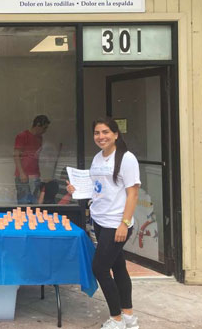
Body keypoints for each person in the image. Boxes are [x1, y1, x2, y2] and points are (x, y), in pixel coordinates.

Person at [66, 117, 140, 329]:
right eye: (97, 133)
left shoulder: (126, 159)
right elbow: (96, 187)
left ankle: (116, 318)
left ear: (116, 134)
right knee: (118, 266)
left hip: (116, 223)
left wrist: (124, 224)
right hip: (100, 220)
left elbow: (133, 194)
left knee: (99, 268)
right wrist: (76, 190)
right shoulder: (98, 158)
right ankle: (129, 317)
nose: (101, 137)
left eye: (106, 132)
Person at [13, 115, 50, 204]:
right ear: (37, 125)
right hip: (24, 176)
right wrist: (22, 173)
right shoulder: (23, 136)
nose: (45, 131)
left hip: (35, 175)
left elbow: (37, 156)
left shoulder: (39, 138)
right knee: (24, 202)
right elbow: (16, 155)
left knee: (34, 203)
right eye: (44, 128)